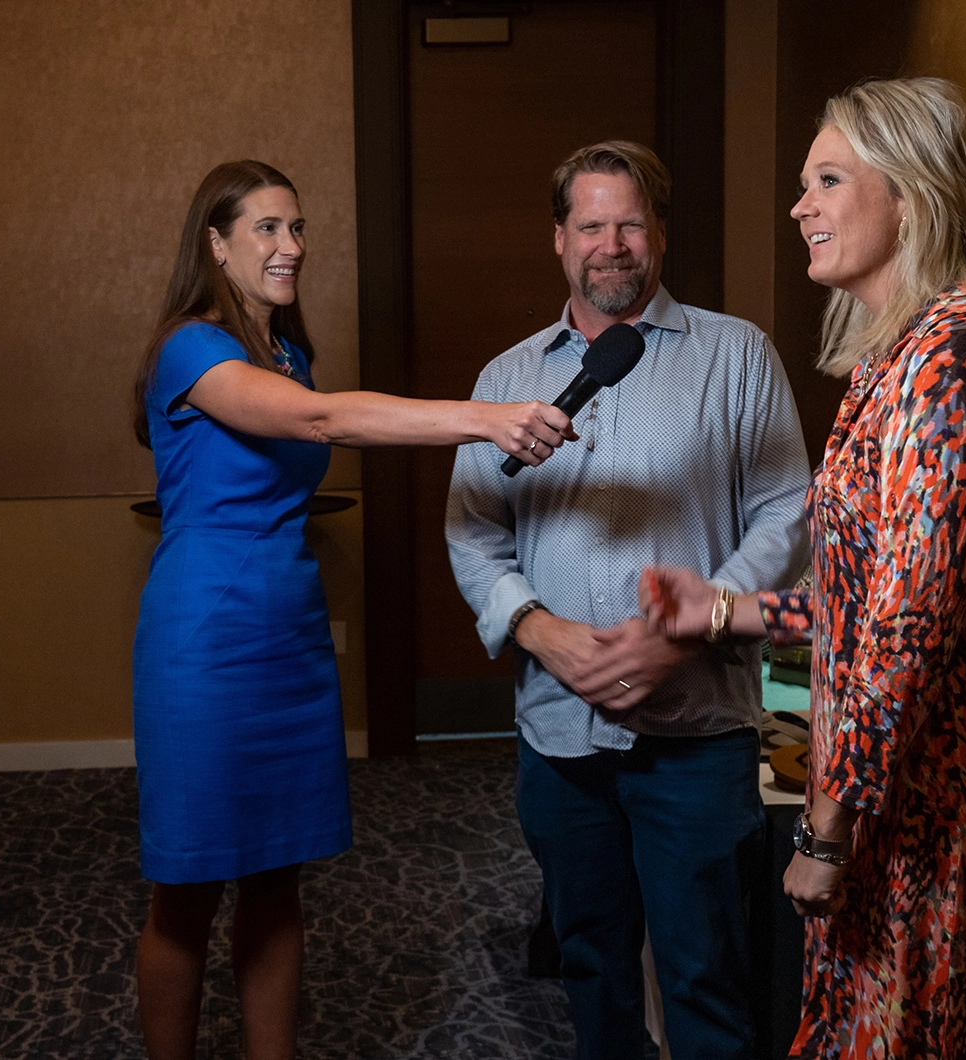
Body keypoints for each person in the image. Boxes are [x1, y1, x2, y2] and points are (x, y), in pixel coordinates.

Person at [642, 77, 966, 1058]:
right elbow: (870, 599)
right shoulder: (896, 355)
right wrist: (728, 610)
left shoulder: (958, 353)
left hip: (937, 821)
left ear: (911, 192)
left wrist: (828, 829)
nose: (801, 207)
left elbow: (905, 635)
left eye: (828, 180)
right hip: (891, 806)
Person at [130, 159, 574, 1060]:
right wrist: (488, 418)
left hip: (288, 636)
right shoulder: (190, 346)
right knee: (188, 888)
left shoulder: (288, 354)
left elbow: (312, 408)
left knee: (277, 878)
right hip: (204, 642)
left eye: (297, 228)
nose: (291, 247)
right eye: (266, 229)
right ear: (215, 244)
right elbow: (321, 423)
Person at [444, 140, 811, 1060]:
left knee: (705, 978)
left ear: (658, 235)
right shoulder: (506, 382)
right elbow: (473, 534)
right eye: (593, 225)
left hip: (694, 736)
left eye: (632, 224)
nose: (613, 244)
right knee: (591, 968)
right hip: (558, 735)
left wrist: (695, 624)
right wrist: (542, 631)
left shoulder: (735, 356)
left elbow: (786, 514)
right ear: (560, 240)